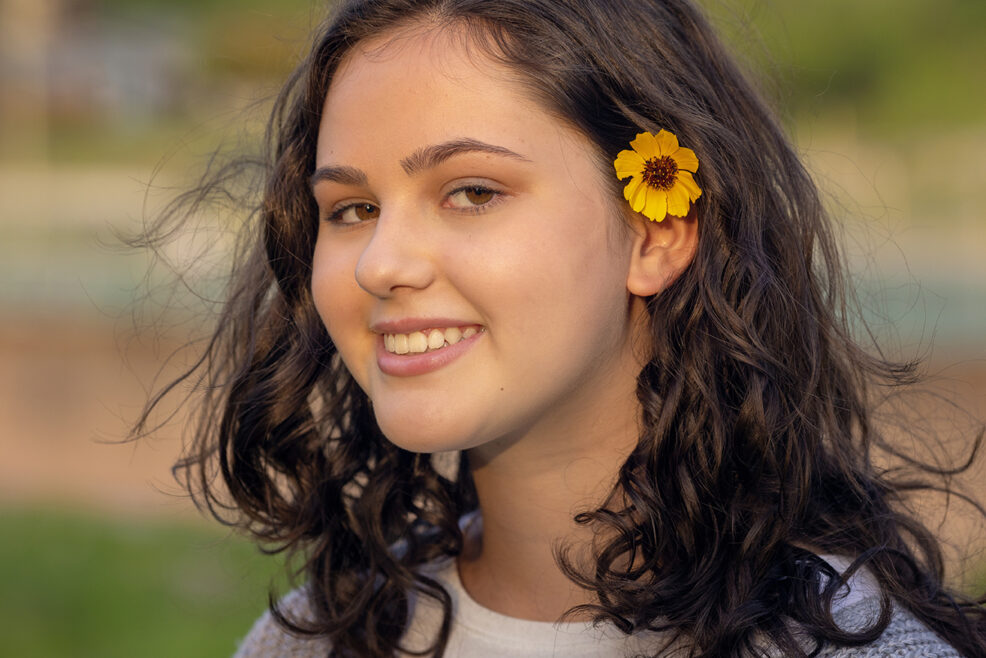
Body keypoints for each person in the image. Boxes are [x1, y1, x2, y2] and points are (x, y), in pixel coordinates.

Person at [133, 0, 986, 656]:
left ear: (654, 232)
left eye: (472, 192)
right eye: (351, 208)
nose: (380, 263)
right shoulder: (316, 638)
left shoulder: (853, 647)